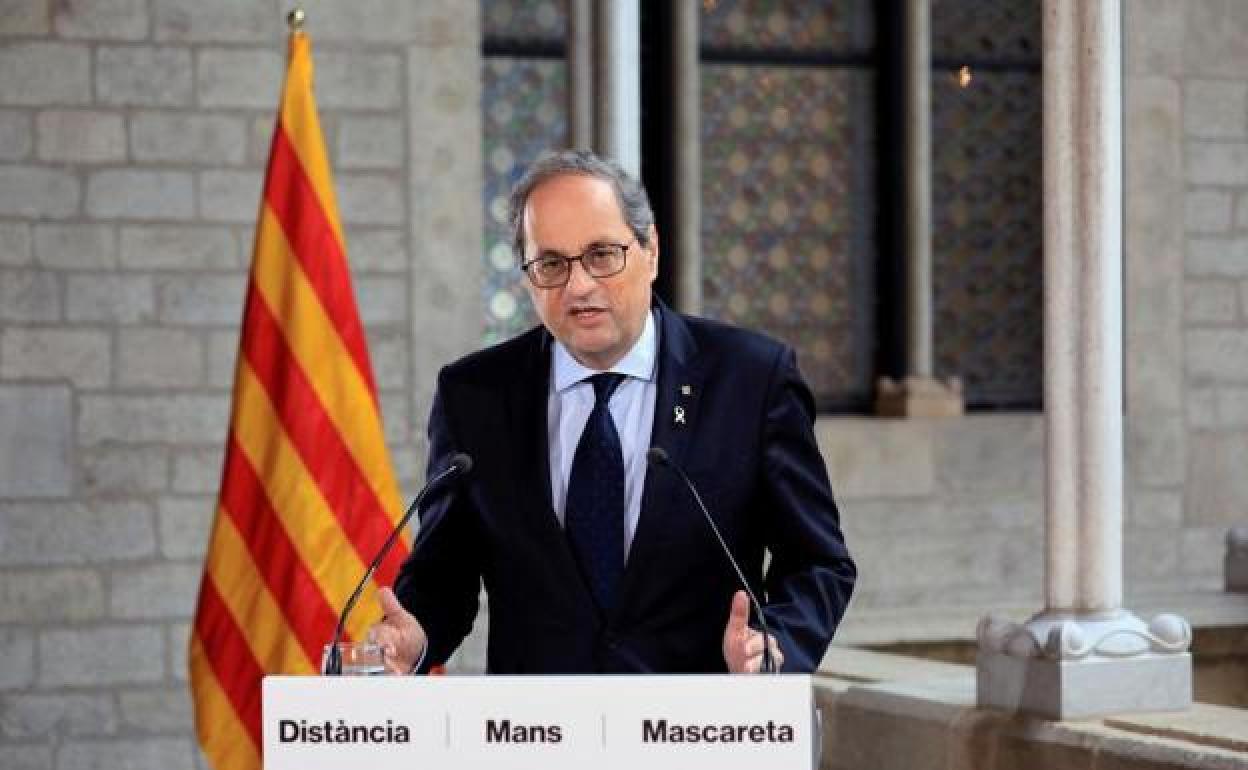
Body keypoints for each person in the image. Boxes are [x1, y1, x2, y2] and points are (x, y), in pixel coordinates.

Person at [368, 150, 855, 674]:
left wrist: (775, 645)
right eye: (551, 264)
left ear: (651, 251)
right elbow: (444, 574)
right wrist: (415, 636)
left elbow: (817, 562)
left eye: (602, 254)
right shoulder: (474, 395)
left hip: (700, 716)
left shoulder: (750, 379)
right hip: (539, 721)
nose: (578, 286)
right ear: (528, 277)